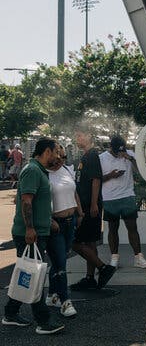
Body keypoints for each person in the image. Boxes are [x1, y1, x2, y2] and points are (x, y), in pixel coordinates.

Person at [2, 137, 65, 335]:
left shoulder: (39, 171)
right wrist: (30, 228)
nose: (58, 155)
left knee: (27, 273)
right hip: (30, 234)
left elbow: (38, 202)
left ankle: (10, 314)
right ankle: (43, 320)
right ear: (47, 151)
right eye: (55, 151)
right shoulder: (32, 170)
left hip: (38, 231)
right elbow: (26, 202)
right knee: (34, 275)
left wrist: (48, 220)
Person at [70, 125, 116, 290]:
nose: (78, 139)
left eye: (80, 135)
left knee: (75, 242)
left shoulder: (92, 155)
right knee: (89, 242)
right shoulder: (85, 156)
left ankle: (103, 268)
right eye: (77, 136)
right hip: (85, 205)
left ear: (89, 136)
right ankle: (90, 277)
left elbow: (96, 179)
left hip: (90, 206)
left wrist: (94, 203)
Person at [100, 135, 146, 269]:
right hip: (110, 198)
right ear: (110, 147)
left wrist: (131, 158)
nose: (120, 154)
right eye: (117, 152)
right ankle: (114, 258)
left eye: (122, 151)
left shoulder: (129, 155)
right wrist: (111, 175)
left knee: (132, 227)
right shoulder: (102, 158)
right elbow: (97, 179)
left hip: (127, 195)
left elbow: (141, 172)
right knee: (113, 228)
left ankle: (138, 257)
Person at [46, 145, 81, 317]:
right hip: (55, 225)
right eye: (56, 154)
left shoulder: (67, 169)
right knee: (59, 261)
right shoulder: (43, 174)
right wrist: (49, 219)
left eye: (62, 154)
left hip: (70, 221)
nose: (60, 157)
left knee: (60, 261)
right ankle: (65, 301)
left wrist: (79, 213)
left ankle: (52, 295)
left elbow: (74, 193)